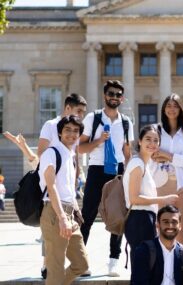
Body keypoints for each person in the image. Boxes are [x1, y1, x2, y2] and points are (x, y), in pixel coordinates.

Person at [79, 80, 134, 276]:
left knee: (118, 217)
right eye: (111, 93)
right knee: (87, 216)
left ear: (122, 98)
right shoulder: (92, 118)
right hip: (96, 169)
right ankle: (81, 261)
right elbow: (80, 147)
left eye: (118, 94)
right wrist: (99, 140)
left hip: (117, 171)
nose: (115, 97)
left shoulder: (126, 122)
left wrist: (130, 174)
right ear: (105, 96)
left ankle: (113, 260)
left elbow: (127, 152)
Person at [39, 115, 88, 285]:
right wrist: (61, 217)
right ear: (59, 132)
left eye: (76, 131)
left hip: (69, 214)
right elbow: (51, 187)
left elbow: (67, 188)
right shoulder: (51, 153)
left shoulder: (70, 155)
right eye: (67, 129)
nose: (72, 134)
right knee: (56, 269)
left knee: (82, 265)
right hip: (54, 213)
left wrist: (75, 210)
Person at [123, 125, 178, 270]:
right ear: (139, 141)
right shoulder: (137, 164)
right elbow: (134, 198)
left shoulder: (144, 165)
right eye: (148, 139)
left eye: (156, 140)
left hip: (145, 218)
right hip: (138, 219)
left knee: (146, 266)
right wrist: (163, 200)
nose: (152, 143)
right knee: (142, 267)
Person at [151, 93, 183, 246]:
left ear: (181, 109)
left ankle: (181, 268)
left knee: (180, 232)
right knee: (161, 231)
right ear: (164, 109)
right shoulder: (156, 130)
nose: (172, 109)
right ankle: (162, 268)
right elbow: (152, 155)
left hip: (182, 185)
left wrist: (166, 155)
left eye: (175, 105)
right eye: (169, 106)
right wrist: (176, 158)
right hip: (160, 186)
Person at [131, 205, 183, 285]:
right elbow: (139, 282)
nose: (170, 226)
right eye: (165, 222)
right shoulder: (144, 251)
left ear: (180, 226)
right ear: (157, 225)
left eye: (174, 222)